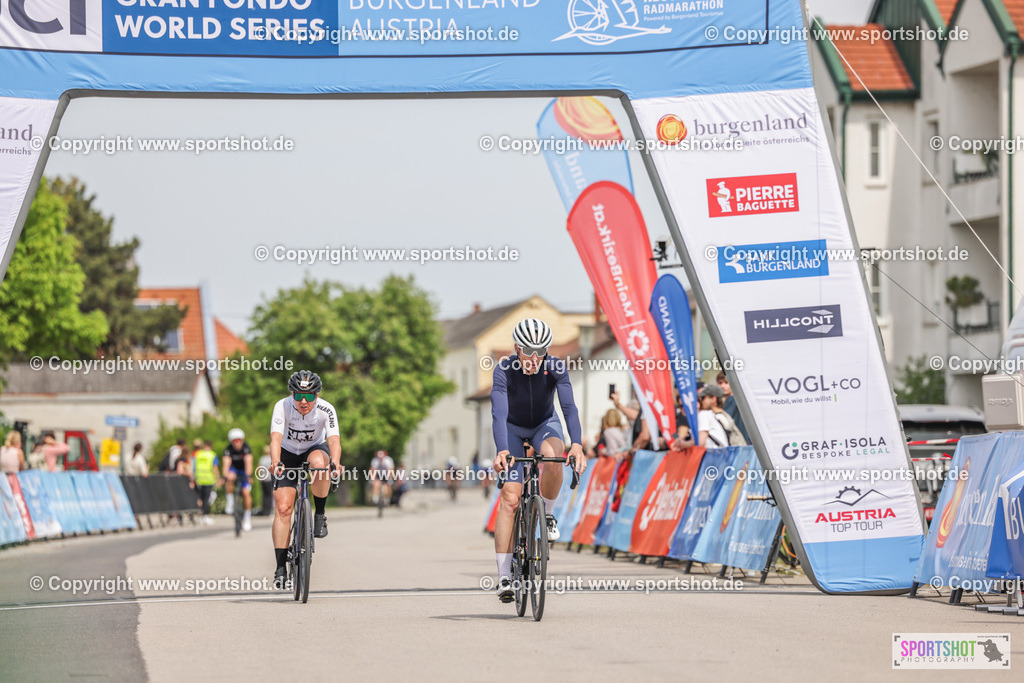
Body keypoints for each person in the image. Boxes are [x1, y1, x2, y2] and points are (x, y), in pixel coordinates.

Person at [491, 318, 586, 603]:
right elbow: (498, 412)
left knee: (555, 457)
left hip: (544, 423)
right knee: (510, 497)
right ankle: (505, 575)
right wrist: (501, 449)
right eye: (528, 351)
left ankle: (547, 513)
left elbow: (568, 406)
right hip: (512, 427)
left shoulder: (555, 367)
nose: (534, 358)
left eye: (541, 351)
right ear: (516, 348)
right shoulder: (504, 371)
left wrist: (578, 443)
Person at [270, 370, 342, 589]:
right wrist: (275, 461)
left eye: (309, 396)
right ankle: (281, 567)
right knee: (283, 508)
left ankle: (319, 514)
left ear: (317, 395)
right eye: (298, 395)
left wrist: (336, 463)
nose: (303, 401)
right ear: (292, 394)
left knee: (320, 466)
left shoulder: (326, 409)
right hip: (287, 452)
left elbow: (334, 441)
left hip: (314, 449)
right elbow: (275, 438)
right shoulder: (282, 406)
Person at [222, 427, 254, 531]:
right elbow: (226, 464)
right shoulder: (228, 449)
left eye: (239, 440)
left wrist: (248, 476)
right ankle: (230, 502)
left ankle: (247, 517)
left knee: (246, 493)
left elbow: (248, 463)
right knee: (230, 477)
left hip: (243, 470)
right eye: (234, 441)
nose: (237, 443)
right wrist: (225, 476)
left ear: (242, 440)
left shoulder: (246, 448)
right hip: (234, 469)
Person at [717, 371, 750, 444]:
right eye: (720, 383)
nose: (722, 386)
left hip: (737, 442)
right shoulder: (738, 400)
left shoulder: (732, 400)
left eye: (726, 383)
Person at [193, 440, 220, 525]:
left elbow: (193, 466)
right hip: (208, 479)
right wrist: (218, 479)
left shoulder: (198, 454)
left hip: (198, 478)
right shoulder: (212, 454)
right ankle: (204, 515)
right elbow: (214, 468)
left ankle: (200, 515)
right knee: (206, 498)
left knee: (200, 498)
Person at [256, 447, 274, 516]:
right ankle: (269, 510)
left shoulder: (262, 459)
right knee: (269, 495)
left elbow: (259, 469)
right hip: (269, 479)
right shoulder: (271, 459)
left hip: (263, 479)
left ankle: (265, 510)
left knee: (264, 495)